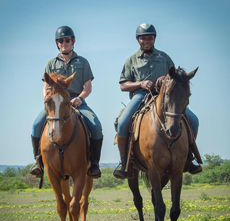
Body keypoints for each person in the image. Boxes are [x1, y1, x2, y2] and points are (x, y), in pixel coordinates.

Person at [113, 23, 202, 179]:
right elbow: (123, 85)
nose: (146, 41)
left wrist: (165, 79)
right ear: (138, 40)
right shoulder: (131, 60)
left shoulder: (164, 57)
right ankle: (124, 161)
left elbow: (176, 78)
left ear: (154, 39)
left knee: (194, 121)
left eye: (150, 38)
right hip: (140, 95)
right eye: (143, 38)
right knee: (122, 123)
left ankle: (189, 158)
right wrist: (140, 84)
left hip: (166, 98)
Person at [30, 26, 103, 179]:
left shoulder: (82, 62)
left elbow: (88, 86)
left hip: (76, 101)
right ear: (57, 43)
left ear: (73, 41)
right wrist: (47, 100)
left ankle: (94, 163)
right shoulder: (51, 63)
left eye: (67, 40)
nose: (64, 43)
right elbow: (45, 86)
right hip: (55, 104)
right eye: (61, 40)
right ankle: (38, 162)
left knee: (96, 126)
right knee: (36, 125)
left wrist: (80, 98)